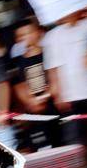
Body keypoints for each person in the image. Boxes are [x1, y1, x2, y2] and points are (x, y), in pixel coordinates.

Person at [43, 11, 87, 168]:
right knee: (77, 139)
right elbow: (53, 68)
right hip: (70, 95)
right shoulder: (52, 36)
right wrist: (58, 93)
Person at [10, 20, 59, 151]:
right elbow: (19, 86)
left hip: (54, 104)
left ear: (38, 32)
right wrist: (31, 101)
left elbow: (55, 78)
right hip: (33, 110)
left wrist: (46, 96)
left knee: (59, 140)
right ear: (17, 40)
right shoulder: (18, 62)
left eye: (29, 32)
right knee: (43, 146)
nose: (25, 37)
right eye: (21, 35)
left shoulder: (49, 53)